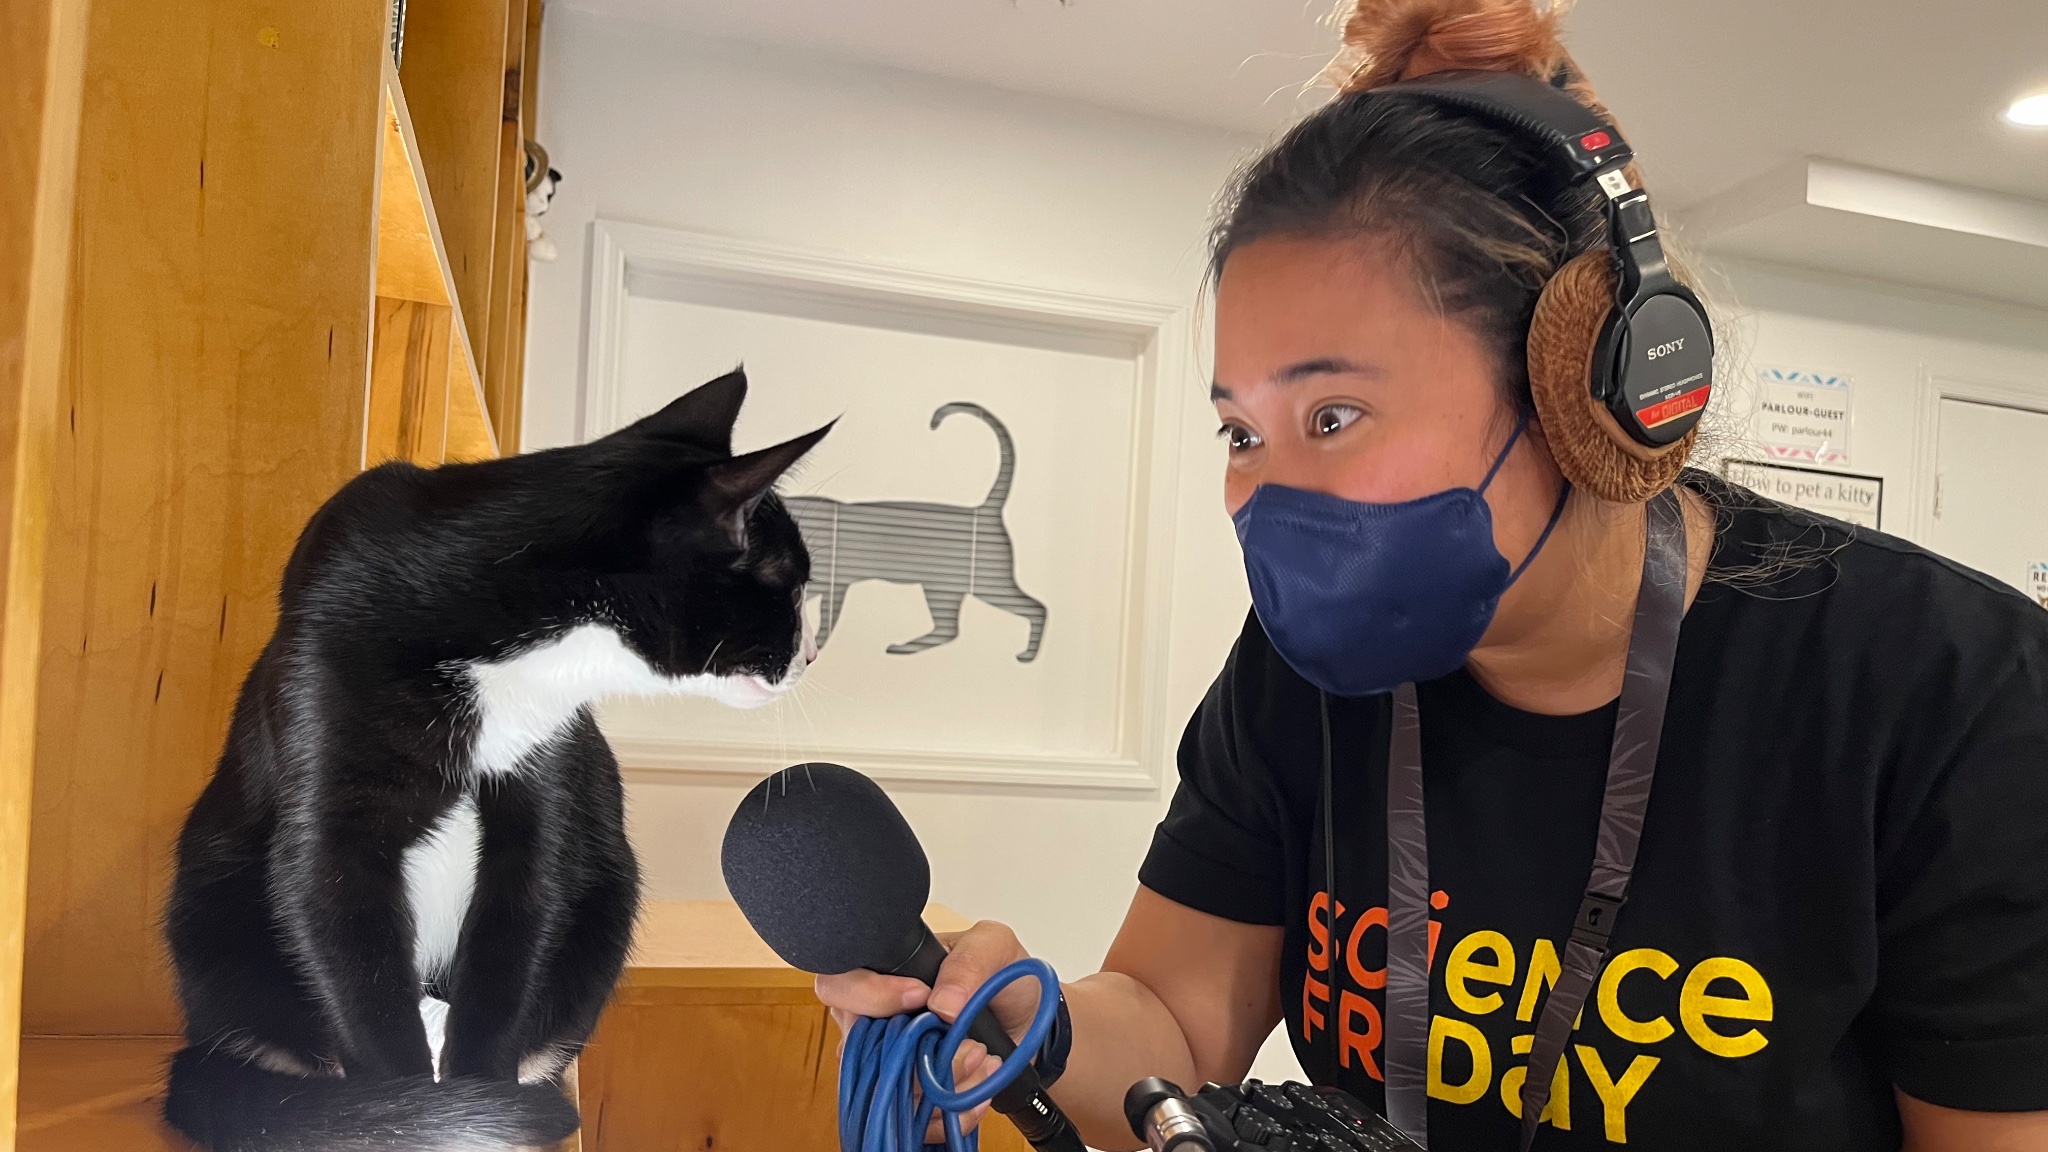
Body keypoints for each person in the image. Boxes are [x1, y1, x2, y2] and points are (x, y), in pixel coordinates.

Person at [817, 1, 2048, 1147]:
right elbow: (1175, 1031)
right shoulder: (1301, 679)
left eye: (1333, 415)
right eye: (1240, 432)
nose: (1263, 490)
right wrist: (1008, 1014)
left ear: (1587, 385)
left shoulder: (1948, 695)